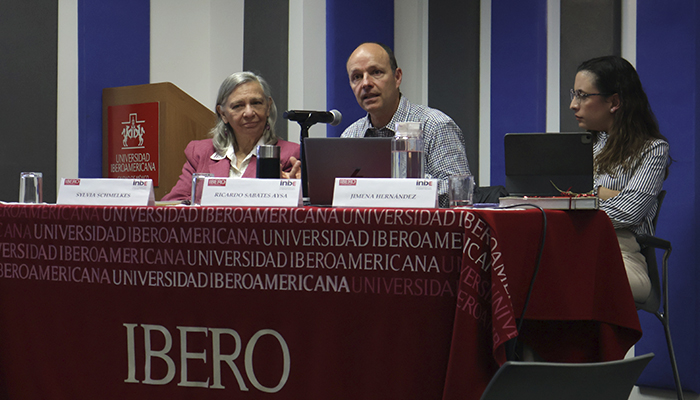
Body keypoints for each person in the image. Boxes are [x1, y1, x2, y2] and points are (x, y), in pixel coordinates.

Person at [570, 55, 671, 303]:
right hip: (569, 244)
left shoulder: (652, 149)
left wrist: (583, 196)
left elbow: (628, 213)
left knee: (575, 279)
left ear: (614, 102)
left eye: (582, 95)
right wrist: (604, 194)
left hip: (622, 252)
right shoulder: (576, 148)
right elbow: (548, 197)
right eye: (573, 94)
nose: (573, 105)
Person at [341, 42, 470, 207]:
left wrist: (402, 187)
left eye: (376, 72)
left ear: (397, 77)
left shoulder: (435, 125)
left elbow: (457, 195)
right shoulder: (350, 136)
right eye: (357, 77)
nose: (366, 83)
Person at [161, 71, 301, 201]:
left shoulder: (291, 155)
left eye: (256, 103)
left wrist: (292, 192)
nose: (249, 113)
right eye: (238, 106)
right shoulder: (200, 152)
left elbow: (296, 209)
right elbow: (173, 204)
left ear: (268, 107)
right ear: (223, 114)